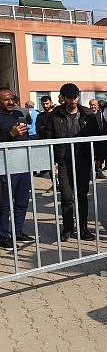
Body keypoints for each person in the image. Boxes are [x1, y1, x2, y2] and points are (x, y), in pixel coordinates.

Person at [48, 84, 101, 241]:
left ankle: (83, 228)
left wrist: (98, 158)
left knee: (82, 195)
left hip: (83, 160)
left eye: (76, 97)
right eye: (70, 98)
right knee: (66, 196)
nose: (73, 100)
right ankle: (68, 228)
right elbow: (48, 136)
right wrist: (52, 161)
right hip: (64, 161)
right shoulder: (55, 116)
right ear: (63, 98)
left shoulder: (88, 114)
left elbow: (97, 135)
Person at [0, 87, 34, 248]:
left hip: (23, 164)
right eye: (6, 99)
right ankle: (2, 235)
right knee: (5, 204)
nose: (11, 102)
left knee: (22, 201)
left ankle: (17, 231)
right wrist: (10, 135)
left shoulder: (18, 115)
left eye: (12, 98)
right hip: (6, 167)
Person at [89, 99, 107, 180]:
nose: (93, 106)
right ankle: (90, 174)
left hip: (100, 138)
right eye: (91, 105)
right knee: (90, 157)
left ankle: (99, 172)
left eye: (94, 105)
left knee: (100, 157)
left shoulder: (101, 114)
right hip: (90, 139)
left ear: (97, 105)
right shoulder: (87, 114)